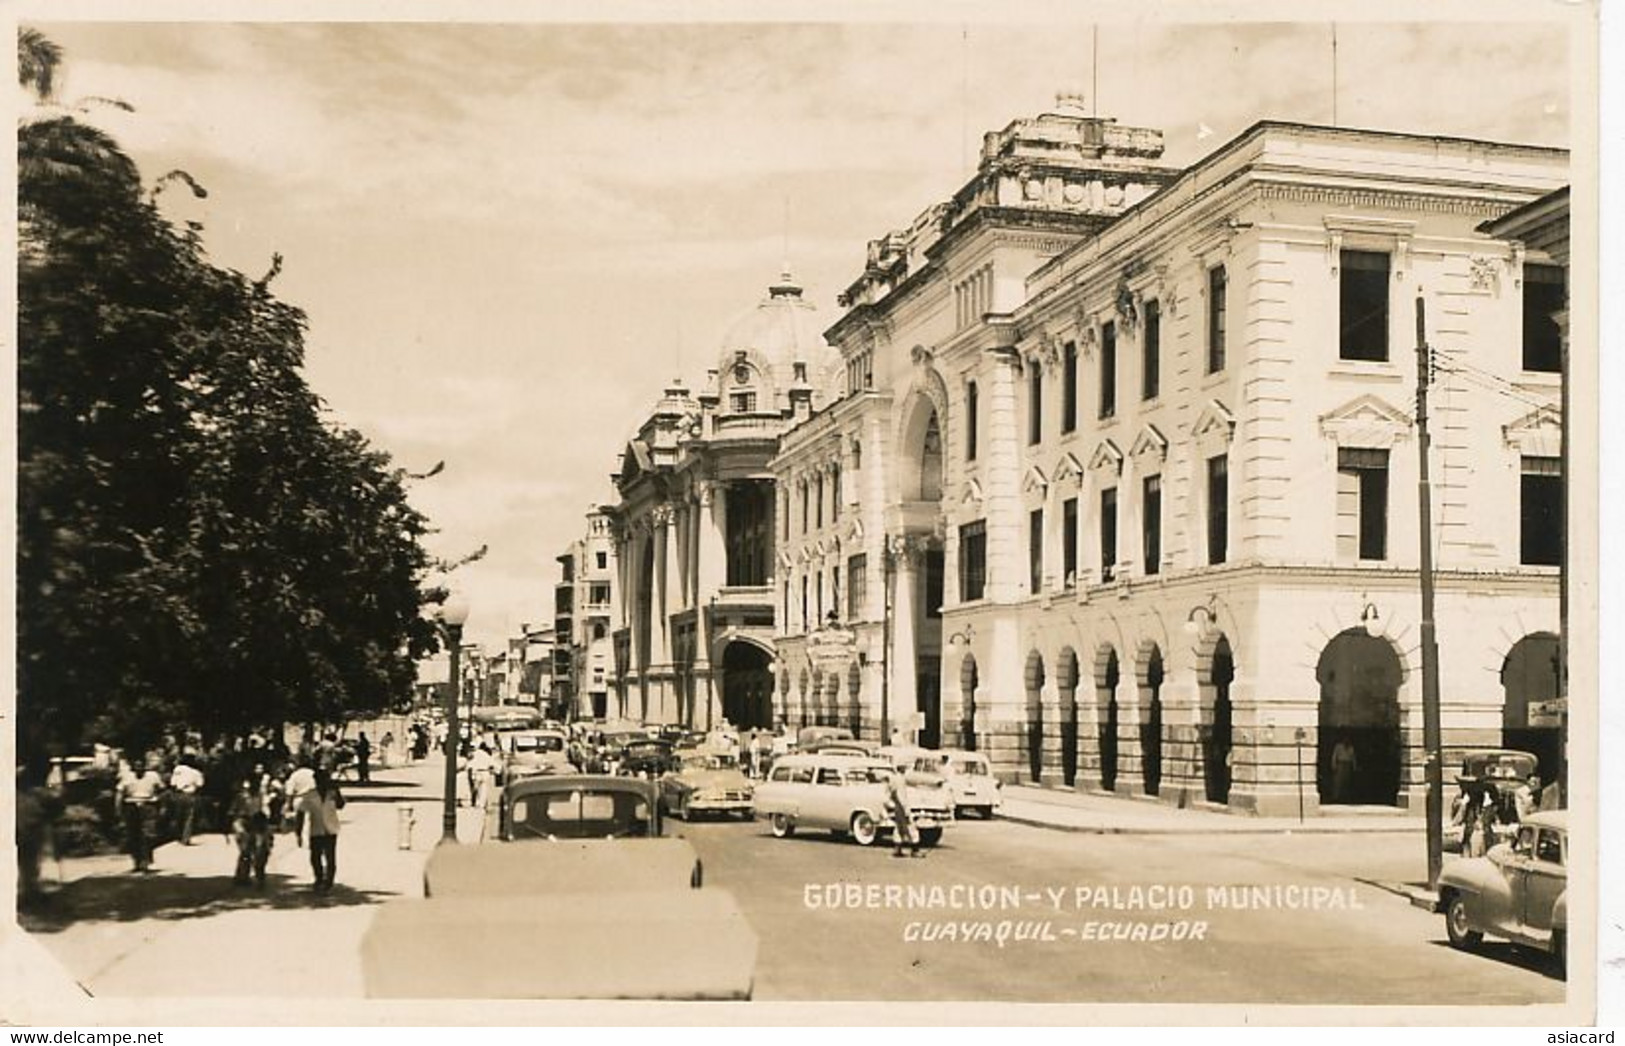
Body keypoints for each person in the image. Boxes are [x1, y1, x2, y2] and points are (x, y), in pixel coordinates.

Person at [115, 754, 165, 873]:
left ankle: (146, 861)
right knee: (133, 835)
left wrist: (162, 807)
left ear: (145, 766)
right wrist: (118, 809)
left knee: (149, 835)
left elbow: (162, 791)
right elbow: (119, 794)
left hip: (148, 806)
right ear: (132, 767)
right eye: (136, 766)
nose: (139, 768)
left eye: (141, 766)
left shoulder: (153, 776)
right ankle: (137, 862)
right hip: (132, 806)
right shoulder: (127, 777)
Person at [227, 771, 278, 887]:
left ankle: (260, 876)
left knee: (261, 851)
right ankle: (242, 876)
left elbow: (266, 812)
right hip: (243, 823)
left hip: (258, 823)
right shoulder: (242, 796)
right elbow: (232, 812)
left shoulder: (261, 796)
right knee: (245, 851)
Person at [299, 769, 346, 893]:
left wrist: (337, 791)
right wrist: (298, 832)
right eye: (318, 780)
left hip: (331, 828)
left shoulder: (332, 793)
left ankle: (329, 882)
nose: (321, 782)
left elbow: (341, 805)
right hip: (316, 829)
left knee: (330, 857)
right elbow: (301, 813)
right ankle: (319, 878)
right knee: (315, 856)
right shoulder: (309, 794)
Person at [883, 768, 922, 858]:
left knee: (899, 827)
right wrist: (903, 809)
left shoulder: (894, 778)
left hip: (896, 806)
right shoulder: (899, 779)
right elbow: (898, 795)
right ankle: (914, 850)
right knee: (910, 827)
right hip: (901, 806)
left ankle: (898, 849)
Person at [168, 756, 205, 845]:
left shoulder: (178, 769)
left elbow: (172, 783)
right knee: (189, 817)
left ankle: (177, 835)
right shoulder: (197, 773)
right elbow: (200, 785)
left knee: (178, 816)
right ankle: (185, 838)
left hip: (178, 794)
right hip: (190, 794)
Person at [283, 759, 318, 845]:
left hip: (299, 798)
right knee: (313, 820)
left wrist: (288, 804)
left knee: (299, 819)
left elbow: (289, 791)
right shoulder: (313, 773)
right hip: (313, 798)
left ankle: (299, 835)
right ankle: (312, 838)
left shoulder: (295, 775)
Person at [1330, 738, 1358, 803]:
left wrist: (1354, 767)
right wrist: (1334, 765)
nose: (1346, 741)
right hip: (1340, 763)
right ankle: (1336, 797)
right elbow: (1334, 756)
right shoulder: (1338, 746)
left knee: (1346, 781)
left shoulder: (1351, 748)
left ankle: (1345, 797)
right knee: (1338, 781)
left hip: (1348, 764)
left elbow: (1353, 758)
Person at [469, 743, 496, 809]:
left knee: (475, 788)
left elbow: (470, 762)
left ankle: (475, 802)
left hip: (476, 772)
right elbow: (493, 765)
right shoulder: (487, 755)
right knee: (484, 789)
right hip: (485, 772)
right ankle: (482, 804)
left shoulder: (475, 753)